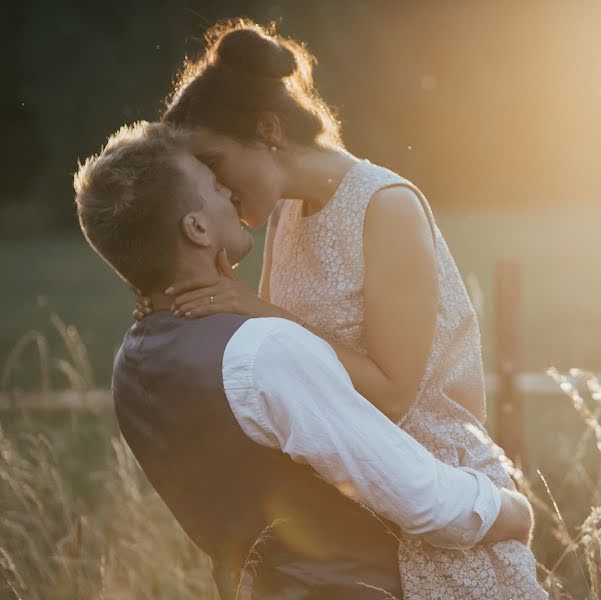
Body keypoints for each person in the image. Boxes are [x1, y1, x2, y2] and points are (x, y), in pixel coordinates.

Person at [135, 20, 547, 598]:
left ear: (269, 130)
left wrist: (258, 312)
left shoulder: (386, 206)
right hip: (359, 500)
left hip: (434, 497)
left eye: (216, 162)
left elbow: (395, 391)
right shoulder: (284, 215)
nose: (219, 190)